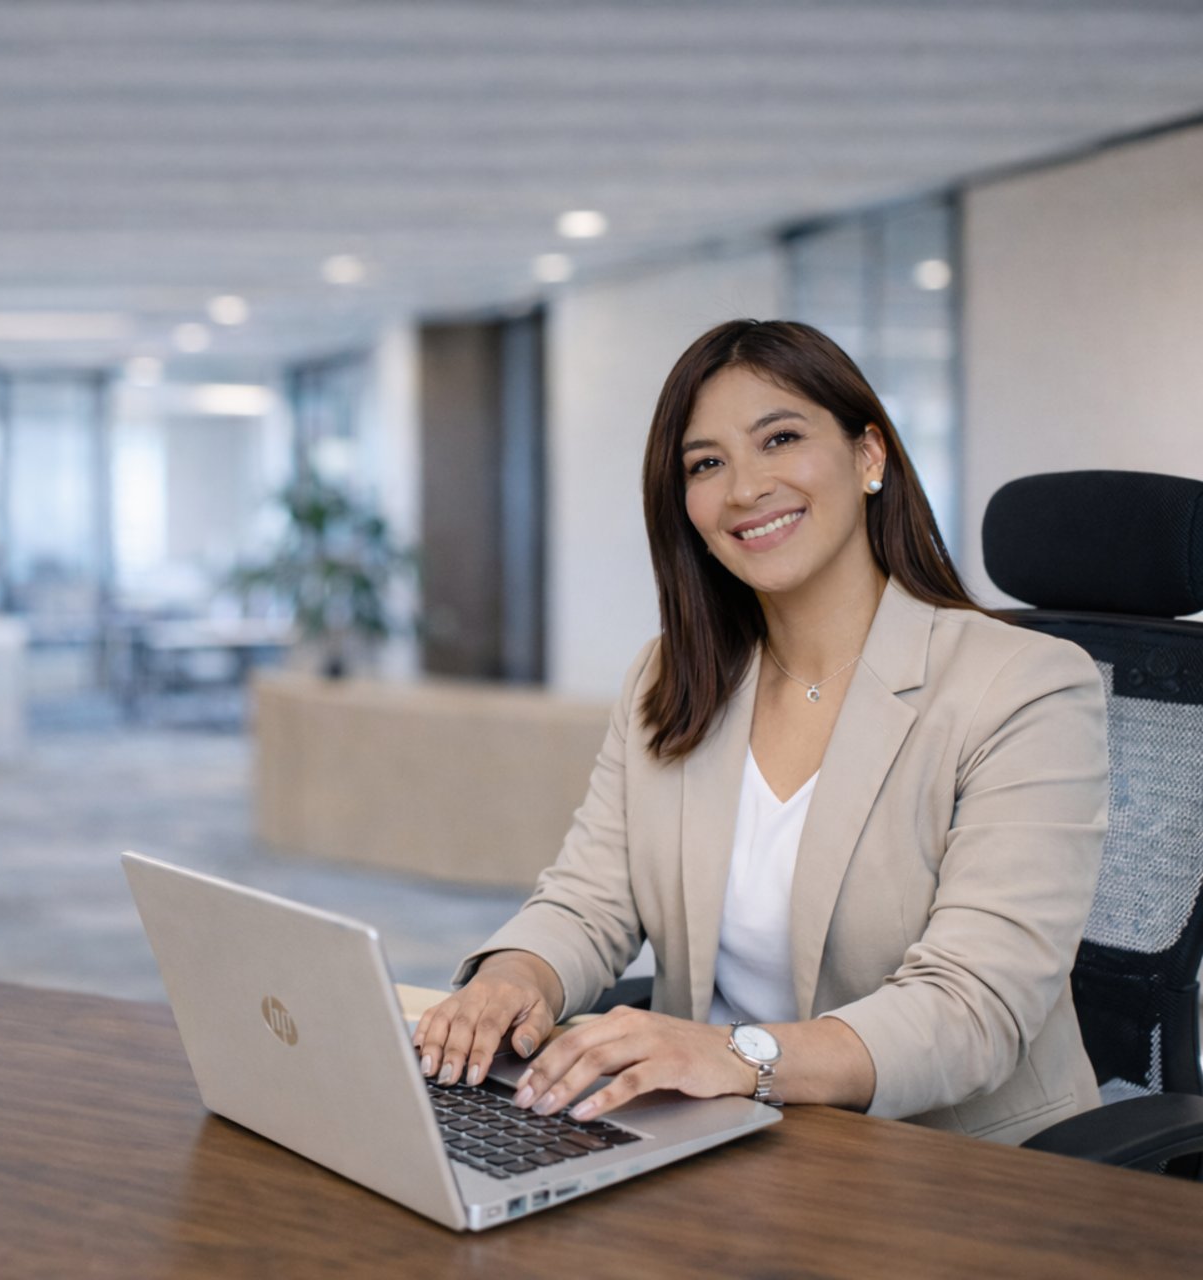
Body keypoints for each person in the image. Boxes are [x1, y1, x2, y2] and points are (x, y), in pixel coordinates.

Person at [412, 319, 1108, 1144]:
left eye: (780, 438)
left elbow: (971, 1009)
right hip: (715, 1141)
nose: (744, 488)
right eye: (706, 464)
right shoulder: (671, 676)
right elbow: (590, 898)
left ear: (869, 456)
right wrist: (513, 977)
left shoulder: (1022, 686)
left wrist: (737, 1056)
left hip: (948, 1164)